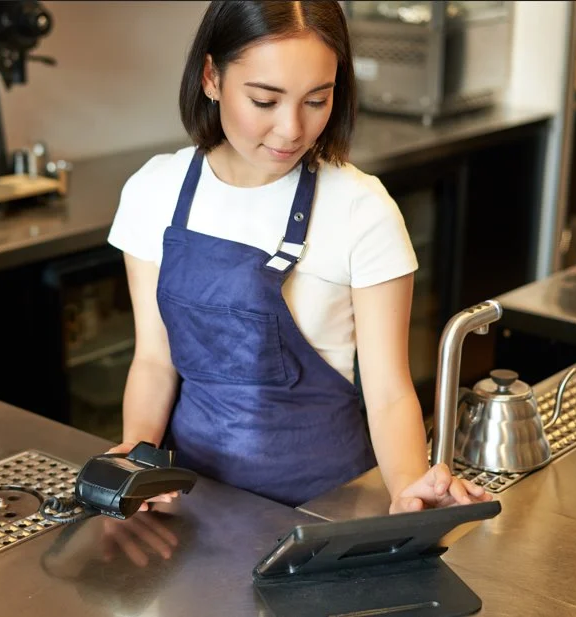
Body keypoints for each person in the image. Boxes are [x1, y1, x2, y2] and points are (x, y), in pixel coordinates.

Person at [106, 1, 492, 513]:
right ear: (211, 77)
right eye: (265, 100)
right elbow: (155, 362)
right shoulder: (154, 191)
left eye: (317, 100)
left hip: (325, 507)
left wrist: (407, 488)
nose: (291, 129)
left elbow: (389, 393)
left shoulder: (361, 208)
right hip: (191, 501)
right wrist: (138, 456)